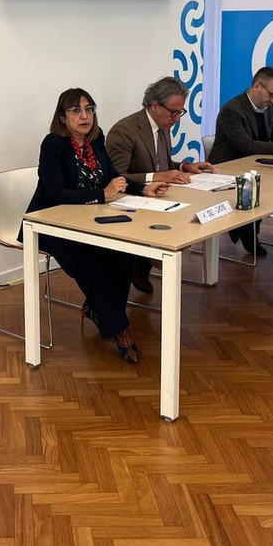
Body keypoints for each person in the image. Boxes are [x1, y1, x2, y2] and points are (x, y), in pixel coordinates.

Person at [23, 88, 169, 364]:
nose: (84, 116)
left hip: (90, 220)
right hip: (50, 224)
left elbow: (112, 175)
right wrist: (102, 194)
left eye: (89, 109)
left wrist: (143, 189)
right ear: (62, 117)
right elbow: (56, 194)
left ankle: (97, 309)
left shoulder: (96, 138)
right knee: (90, 262)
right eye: (76, 110)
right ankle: (121, 330)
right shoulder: (53, 144)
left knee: (123, 252)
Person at [106, 76, 215, 294]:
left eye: (180, 113)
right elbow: (116, 176)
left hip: (159, 195)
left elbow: (161, 163)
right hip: (130, 200)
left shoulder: (163, 125)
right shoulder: (124, 131)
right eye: (173, 112)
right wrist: (157, 177)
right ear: (155, 105)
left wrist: (185, 166)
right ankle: (139, 261)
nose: (177, 119)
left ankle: (144, 263)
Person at [208, 66, 273, 257]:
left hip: (254, 166)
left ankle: (249, 230)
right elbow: (247, 146)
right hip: (227, 168)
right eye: (272, 95)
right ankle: (247, 231)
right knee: (259, 188)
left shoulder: (268, 107)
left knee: (270, 189)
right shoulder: (232, 111)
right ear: (257, 86)